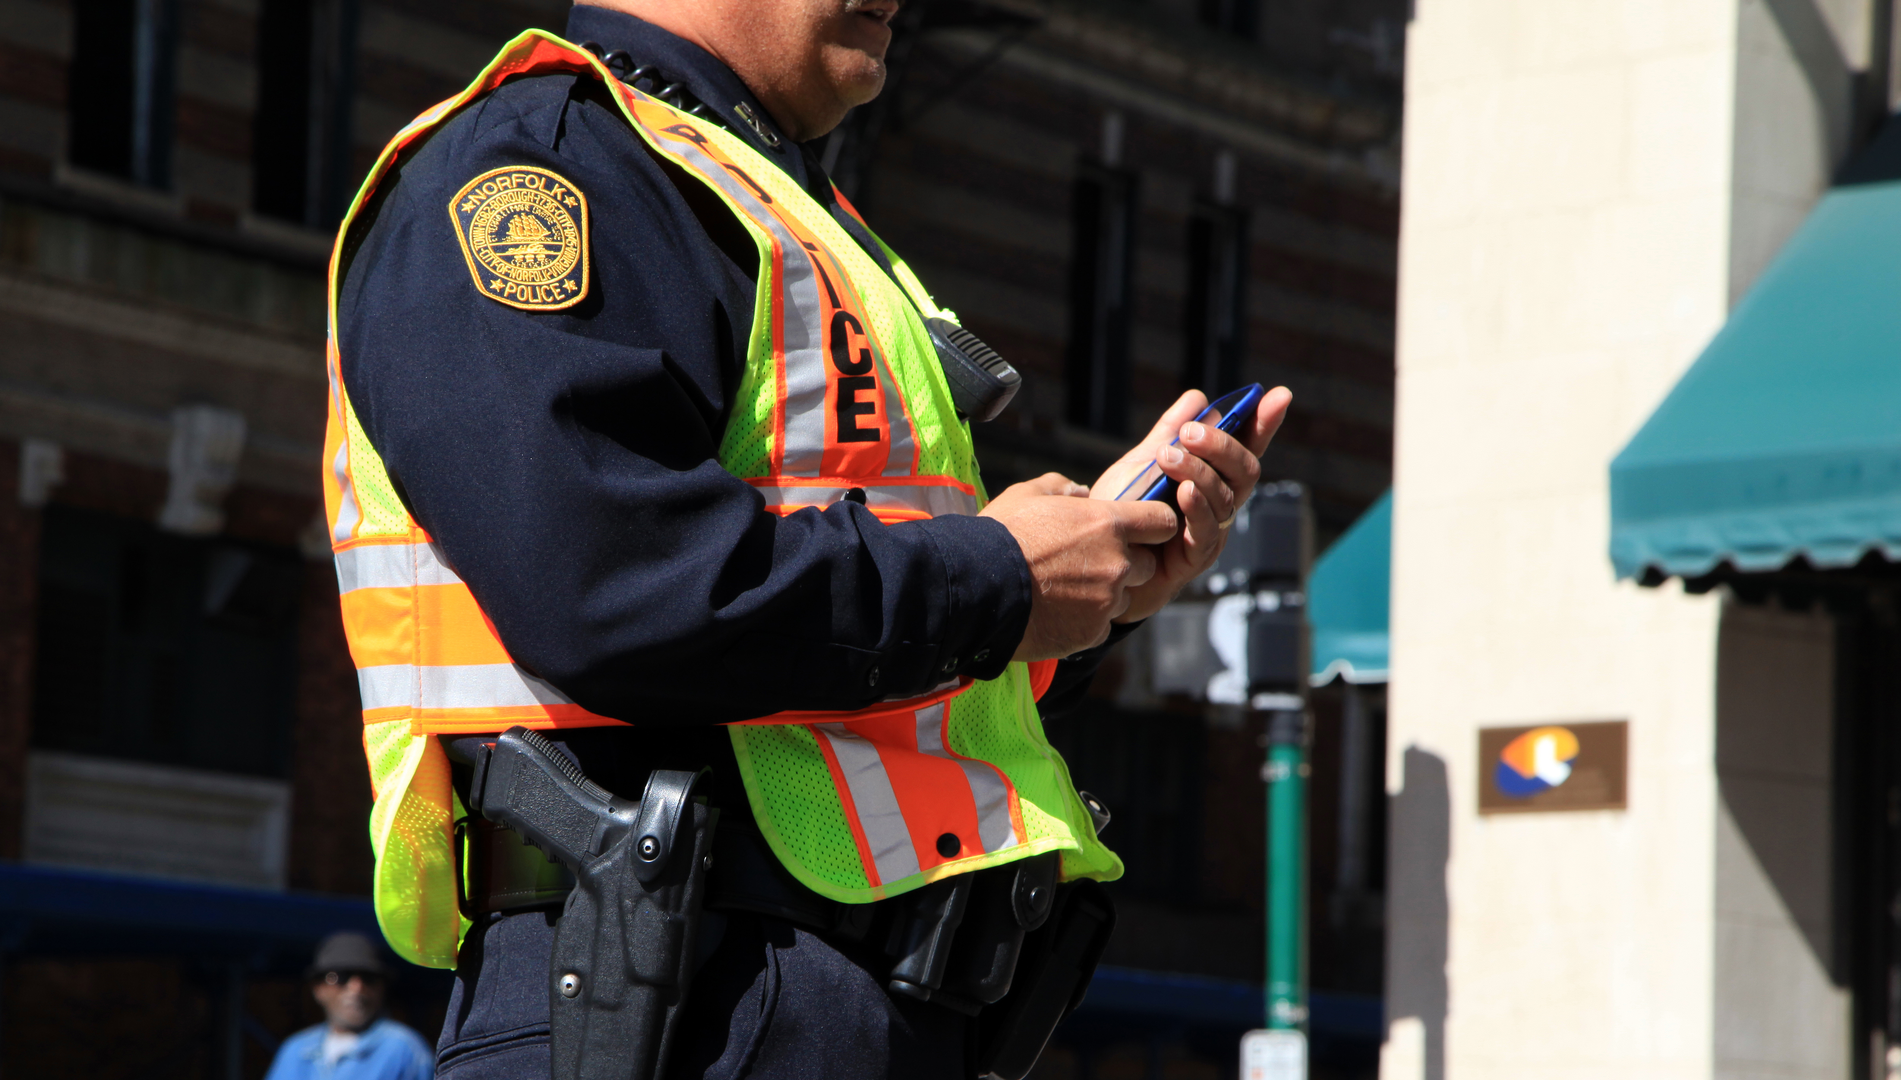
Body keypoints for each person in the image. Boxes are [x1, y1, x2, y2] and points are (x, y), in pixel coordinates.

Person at [321, 0, 1294, 1076]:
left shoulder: (769, 195)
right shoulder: (539, 169)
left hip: (790, 1000)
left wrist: (1079, 597)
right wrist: (1001, 576)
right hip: (676, 995)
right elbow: (611, 590)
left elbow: (855, 674)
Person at [266, 932, 434, 1080]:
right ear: (318, 989)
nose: (356, 988)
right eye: (340, 977)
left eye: (368, 978)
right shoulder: (295, 1050)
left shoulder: (405, 1050)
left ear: (383, 988)